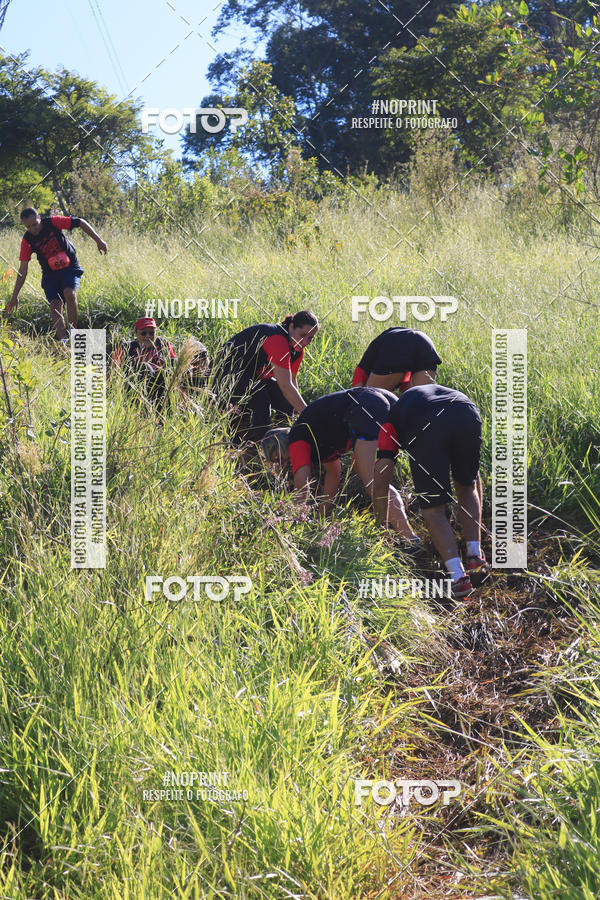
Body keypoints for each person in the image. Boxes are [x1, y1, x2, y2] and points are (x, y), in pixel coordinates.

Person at [373, 381, 489, 600]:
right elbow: (474, 480)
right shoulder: (417, 397)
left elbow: (381, 479)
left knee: (433, 508)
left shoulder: (391, 420)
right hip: (466, 409)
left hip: (425, 420)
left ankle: (458, 578)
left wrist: (380, 526)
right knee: (467, 485)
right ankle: (475, 556)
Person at [262, 387, 417, 538]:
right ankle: (406, 536)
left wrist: (292, 526)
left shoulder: (296, 438)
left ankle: (409, 539)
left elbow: (302, 487)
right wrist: (320, 518)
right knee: (367, 472)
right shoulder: (314, 437)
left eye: (278, 458)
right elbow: (333, 475)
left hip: (364, 407)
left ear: (281, 443)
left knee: (374, 483)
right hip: (380, 398)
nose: (282, 463)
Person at [4, 207, 107, 343]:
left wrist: (99, 241)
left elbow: (80, 222)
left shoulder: (53, 222)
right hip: (50, 274)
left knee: (69, 293)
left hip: (70, 267)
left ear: (39, 218)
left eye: (34, 224)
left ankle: (74, 335)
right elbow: (23, 269)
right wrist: (14, 296)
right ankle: (63, 342)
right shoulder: (27, 240)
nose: (33, 229)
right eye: (28, 227)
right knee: (55, 305)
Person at [212, 311, 319, 442]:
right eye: (303, 335)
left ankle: (284, 439)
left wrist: (299, 411)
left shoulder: (297, 351)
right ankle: (261, 444)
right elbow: (286, 386)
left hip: (252, 376)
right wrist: (309, 415)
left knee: (285, 399)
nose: (306, 342)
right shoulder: (278, 339)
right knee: (261, 398)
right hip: (224, 373)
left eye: (311, 338)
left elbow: (291, 382)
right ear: (291, 326)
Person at [110, 317, 175, 410]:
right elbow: (113, 372)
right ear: (136, 333)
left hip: (161, 386)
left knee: (173, 365)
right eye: (143, 333)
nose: (148, 336)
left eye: (151, 333)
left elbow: (173, 364)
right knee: (144, 367)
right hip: (135, 388)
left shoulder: (162, 344)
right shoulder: (126, 347)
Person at [352, 327, 441, 392]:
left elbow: (358, 395)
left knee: (369, 400)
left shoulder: (361, 372)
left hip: (396, 342)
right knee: (421, 402)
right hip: (424, 341)